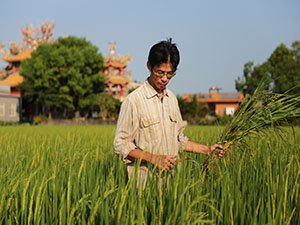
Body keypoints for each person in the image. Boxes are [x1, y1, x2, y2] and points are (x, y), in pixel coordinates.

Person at [114, 38, 223, 189]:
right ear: (149, 66)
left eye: (169, 74)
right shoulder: (133, 101)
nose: (164, 79)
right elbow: (120, 145)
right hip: (144, 186)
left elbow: (178, 140)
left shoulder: (172, 100)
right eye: (160, 72)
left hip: (173, 185)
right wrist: (154, 159)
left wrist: (207, 150)